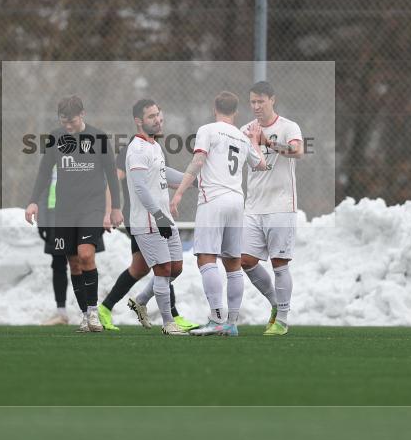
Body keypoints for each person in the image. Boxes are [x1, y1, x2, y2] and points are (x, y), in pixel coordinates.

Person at [170, 91, 267, 336]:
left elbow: (198, 160)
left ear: (215, 108)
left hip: (213, 199)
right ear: (236, 112)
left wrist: (180, 192)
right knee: (233, 262)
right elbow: (261, 164)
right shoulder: (242, 137)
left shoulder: (208, 130)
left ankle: (217, 319)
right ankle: (231, 322)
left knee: (205, 257)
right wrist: (255, 140)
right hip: (236, 201)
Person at [25, 96, 123, 333]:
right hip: (64, 209)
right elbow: (44, 172)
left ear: (83, 114)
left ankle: (93, 312)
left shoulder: (98, 138)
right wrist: (33, 202)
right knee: (73, 262)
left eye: (72, 121)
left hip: (92, 206)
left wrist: (115, 208)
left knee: (86, 255)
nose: (68, 126)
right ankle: (84, 315)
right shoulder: (56, 138)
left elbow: (111, 174)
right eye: (63, 121)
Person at [98, 101, 198, 333]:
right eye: (152, 116)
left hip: (161, 217)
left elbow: (164, 176)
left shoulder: (154, 146)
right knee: (161, 268)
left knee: (168, 268)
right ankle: (169, 321)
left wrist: (193, 181)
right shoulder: (136, 149)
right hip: (147, 220)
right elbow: (131, 184)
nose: (158, 120)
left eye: (159, 115)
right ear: (138, 121)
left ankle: (138, 301)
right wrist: (111, 209)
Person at [240, 81, 303, 336]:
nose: (256, 106)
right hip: (253, 206)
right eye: (252, 101)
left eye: (260, 101)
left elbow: (297, 152)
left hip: (281, 205)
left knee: (279, 264)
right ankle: (276, 304)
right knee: (245, 260)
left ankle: (283, 320)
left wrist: (266, 141)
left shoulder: (288, 127)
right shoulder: (245, 130)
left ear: (272, 100)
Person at [37, 166, 70, 326]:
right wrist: (42, 220)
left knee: (84, 261)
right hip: (54, 216)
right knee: (58, 263)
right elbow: (44, 187)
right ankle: (61, 312)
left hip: (81, 214)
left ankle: (89, 310)